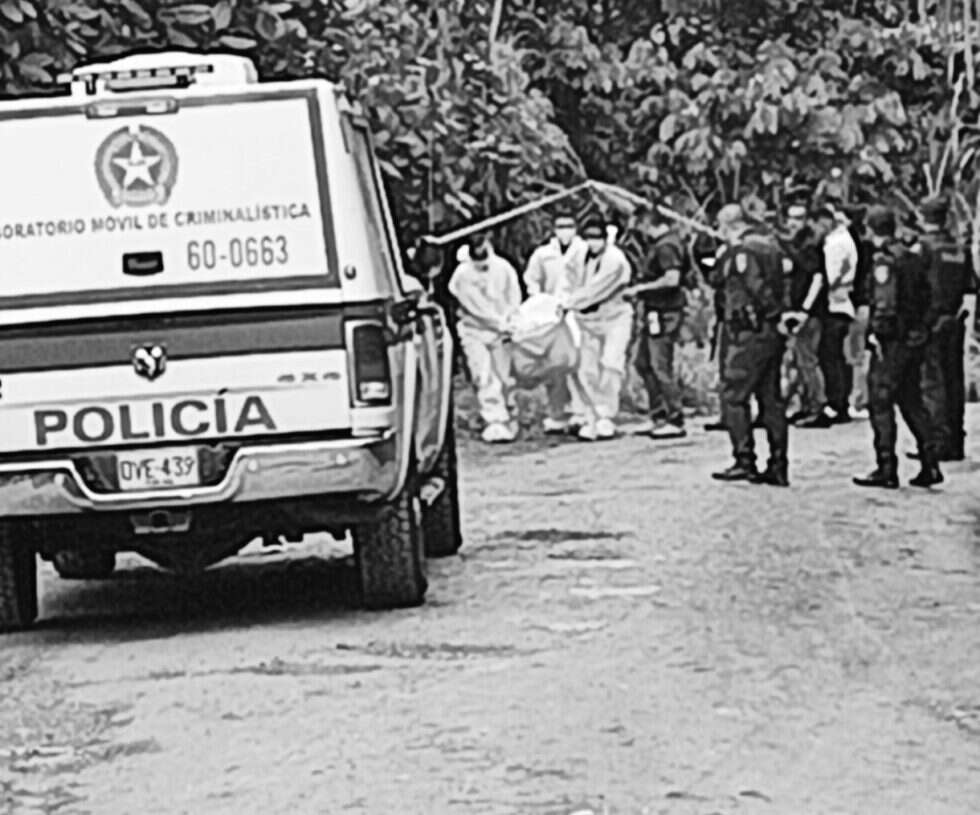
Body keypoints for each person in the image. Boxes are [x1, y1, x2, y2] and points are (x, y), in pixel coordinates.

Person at [852, 206, 942, 489]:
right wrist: (922, 329)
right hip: (914, 337)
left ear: (871, 229)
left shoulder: (884, 261)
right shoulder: (913, 258)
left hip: (893, 341)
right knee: (911, 400)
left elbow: (885, 303)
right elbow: (930, 297)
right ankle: (930, 463)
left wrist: (878, 334)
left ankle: (886, 467)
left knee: (880, 400)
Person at [711, 204, 794, 486]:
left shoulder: (742, 251)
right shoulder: (772, 246)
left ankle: (744, 459)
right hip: (771, 332)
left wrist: (772, 314)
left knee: (733, 394)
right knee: (770, 397)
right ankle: (778, 463)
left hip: (749, 330)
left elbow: (754, 286)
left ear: (729, 225)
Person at [913, 195, 977, 462]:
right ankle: (955, 440)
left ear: (923, 217)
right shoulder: (959, 248)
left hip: (930, 321)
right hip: (955, 319)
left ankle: (937, 442)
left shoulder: (923, 248)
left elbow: (916, 285)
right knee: (953, 380)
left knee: (932, 382)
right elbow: (970, 286)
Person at [561, 218, 633, 441]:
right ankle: (590, 413)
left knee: (611, 364)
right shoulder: (577, 254)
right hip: (586, 320)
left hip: (615, 318)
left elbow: (597, 289)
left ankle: (606, 415)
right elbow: (567, 279)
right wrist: (563, 299)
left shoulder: (615, 260)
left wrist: (569, 303)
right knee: (587, 368)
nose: (593, 242)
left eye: (597, 238)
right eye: (589, 238)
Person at [623, 206, 690, 439]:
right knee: (643, 363)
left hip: (665, 311)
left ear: (646, 224)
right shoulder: (660, 244)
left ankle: (675, 417)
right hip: (653, 311)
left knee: (660, 365)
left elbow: (672, 279)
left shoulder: (667, 247)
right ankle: (658, 414)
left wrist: (641, 289)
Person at [448, 236, 522, 444]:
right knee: (483, 375)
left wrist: (510, 320)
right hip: (475, 331)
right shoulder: (463, 275)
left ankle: (509, 412)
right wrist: (498, 322)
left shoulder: (503, 268)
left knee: (504, 376)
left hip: (502, 332)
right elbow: (474, 307)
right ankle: (494, 420)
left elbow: (513, 295)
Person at [524, 212, 588, 433]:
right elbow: (532, 279)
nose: (565, 230)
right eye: (561, 226)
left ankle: (581, 412)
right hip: (551, 315)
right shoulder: (543, 254)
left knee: (579, 362)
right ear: (554, 229)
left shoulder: (584, 251)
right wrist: (540, 302)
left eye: (569, 225)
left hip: (578, 312)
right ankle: (557, 412)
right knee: (555, 364)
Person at [777, 201, 829, 428]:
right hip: (794, 310)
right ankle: (805, 404)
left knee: (808, 361)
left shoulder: (810, 246)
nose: (793, 223)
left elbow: (817, 278)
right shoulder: (794, 245)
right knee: (798, 360)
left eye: (798, 218)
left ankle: (817, 406)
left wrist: (805, 310)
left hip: (808, 313)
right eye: (791, 218)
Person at [812, 205, 858, 425]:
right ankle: (840, 402)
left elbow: (831, 275)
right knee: (836, 356)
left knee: (830, 357)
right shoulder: (845, 239)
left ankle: (836, 404)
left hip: (835, 304)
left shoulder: (835, 243)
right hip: (842, 303)